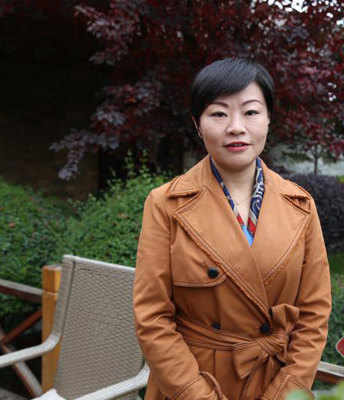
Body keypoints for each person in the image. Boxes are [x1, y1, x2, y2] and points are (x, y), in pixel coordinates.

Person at [133, 57, 332, 400]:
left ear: (268, 118)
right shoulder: (166, 204)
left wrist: (285, 393)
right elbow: (152, 318)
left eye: (251, 112)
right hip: (192, 384)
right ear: (197, 124)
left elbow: (314, 315)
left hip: (274, 383)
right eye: (219, 114)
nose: (236, 127)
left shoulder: (301, 205)